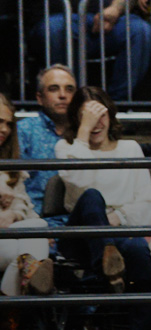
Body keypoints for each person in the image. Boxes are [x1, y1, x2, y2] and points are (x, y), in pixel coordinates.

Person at [56, 86, 151, 329]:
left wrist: (116, 217)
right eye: (87, 116)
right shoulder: (67, 149)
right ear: (77, 119)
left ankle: (143, 323)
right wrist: (83, 132)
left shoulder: (130, 148)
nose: (95, 123)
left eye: (99, 114)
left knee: (137, 247)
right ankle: (106, 261)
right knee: (92, 196)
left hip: (121, 232)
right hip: (81, 236)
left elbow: (147, 201)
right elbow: (78, 180)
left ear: (110, 115)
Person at [25, 0, 151, 100]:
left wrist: (115, 8)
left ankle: (116, 105)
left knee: (140, 30)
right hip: (58, 17)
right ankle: (74, 100)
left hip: (110, 19)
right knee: (54, 29)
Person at [0, 92, 53, 297]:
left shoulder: (12, 165)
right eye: (0, 122)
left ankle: (9, 311)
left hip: (10, 239)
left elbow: (25, 206)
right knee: (34, 242)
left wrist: (13, 215)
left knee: (31, 244)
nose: (4, 129)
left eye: (9, 124)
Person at [20, 65, 77, 218]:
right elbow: (15, 183)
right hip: (33, 221)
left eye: (69, 89)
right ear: (39, 98)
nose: (63, 95)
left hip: (80, 222)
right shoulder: (24, 130)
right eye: (54, 89)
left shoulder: (88, 131)